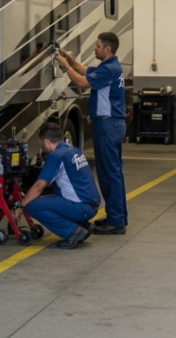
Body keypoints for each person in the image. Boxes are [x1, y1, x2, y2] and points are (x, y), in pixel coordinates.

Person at [54, 32, 128, 235]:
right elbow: (85, 71)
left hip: (107, 125)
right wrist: (68, 59)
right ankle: (117, 216)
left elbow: (81, 82)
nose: (94, 49)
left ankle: (116, 221)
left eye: (97, 46)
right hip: (111, 125)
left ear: (107, 49)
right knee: (113, 173)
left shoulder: (109, 69)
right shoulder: (109, 67)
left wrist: (64, 65)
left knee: (109, 174)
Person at [14, 122, 101, 249]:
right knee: (55, 196)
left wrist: (21, 205)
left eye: (41, 143)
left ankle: (72, 231)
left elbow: (39, 187)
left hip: (81, 208)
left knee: (32, 206)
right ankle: (83, 225)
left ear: (46, 141)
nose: (41, 146)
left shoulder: (56, 156)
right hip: (91, 205)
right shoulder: (73, 150)